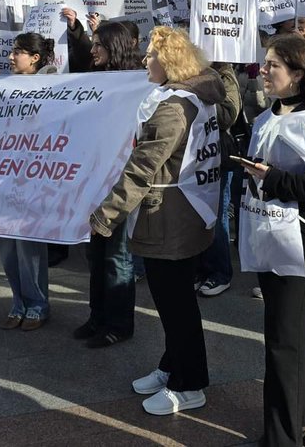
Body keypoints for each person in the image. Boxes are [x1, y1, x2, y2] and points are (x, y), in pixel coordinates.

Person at [91, 27, 224, 416]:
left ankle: (190, 384)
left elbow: (142, 167)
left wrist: (106, 215)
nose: (145, 61)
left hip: (169, 217)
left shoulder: (173, 107)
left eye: (150, 56)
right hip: (188, 213)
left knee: (177, 305)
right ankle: (172, 366)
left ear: (169, 62)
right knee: (173, 302)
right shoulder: (196, 96)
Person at [238, 34, 305, 446]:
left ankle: (281, 437)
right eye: (264, 64)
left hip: (300, 242)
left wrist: (274, 178)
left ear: (298, 74)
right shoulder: (268, 116)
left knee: (286, 344)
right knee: (288, 339)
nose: (263, 72)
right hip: (270, 235)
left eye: (273, 66)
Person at [76, 22, 143, 347]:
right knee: (95, 253)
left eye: (99, 45)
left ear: (115, 46)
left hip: (121, 184)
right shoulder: (94, 80)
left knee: (117, 256)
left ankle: (119, 324)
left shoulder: (140, 85)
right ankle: (97, 317)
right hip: (93, 182)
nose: (93, 50)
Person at [0, 32, 55, 332]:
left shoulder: (53, 86)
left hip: (32, 179)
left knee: (29, 247)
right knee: (6, 247)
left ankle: (38, 304)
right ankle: (18, 302)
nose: (10, 57)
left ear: (34, 58)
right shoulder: (6, 85)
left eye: (17, 52)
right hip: (3, 177)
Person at [194, 61, 244, 298]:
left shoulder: (224, 75)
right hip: (196, 155)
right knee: (196, 214)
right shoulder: (188, 72)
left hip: (218, 156)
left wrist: (203, 85)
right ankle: (201, 269)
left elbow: (228, 116)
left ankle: (220, 273)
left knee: (216, 216)